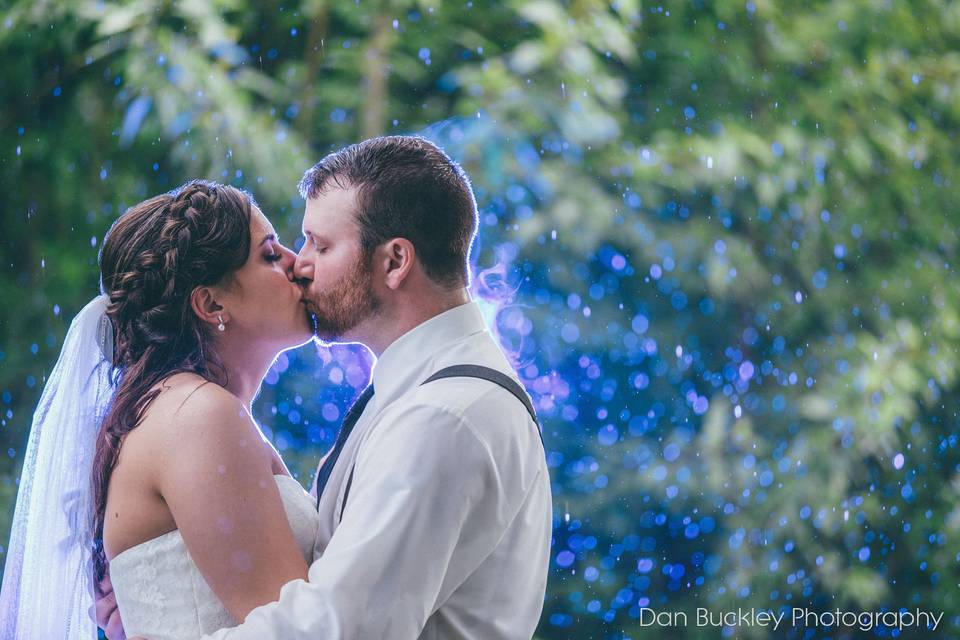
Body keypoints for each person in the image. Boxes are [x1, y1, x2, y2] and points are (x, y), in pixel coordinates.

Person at [191, 135, 552, 639]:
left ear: (395, 261)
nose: (300, 263)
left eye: (322, 244)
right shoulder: (416, 394)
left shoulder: (444, 417)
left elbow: (343, 627)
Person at [0, 180, 319, 639]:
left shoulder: (184, 410)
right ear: (211, 303)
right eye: (270, 254)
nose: (298, 263)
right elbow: (302, 629)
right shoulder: (199, 416)